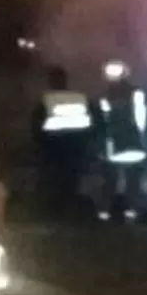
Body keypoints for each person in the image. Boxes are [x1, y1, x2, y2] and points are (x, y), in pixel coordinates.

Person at [31, 65, 93, 218]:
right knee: (70, 182)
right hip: (73, 149)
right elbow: (90, 123)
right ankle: (69, 211)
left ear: (51, 81)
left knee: (54, 181)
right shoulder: (78, 99)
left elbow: (36, 125)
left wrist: (40, 145)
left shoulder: (46, 101)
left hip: (53, 150)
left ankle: (54, 212)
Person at [95, 59, 147, 223]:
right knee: (132, 179)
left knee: (111, 179)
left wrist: (101, 145)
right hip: (133, 144)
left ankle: (105, 212)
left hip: (115, 145)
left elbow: (103, 123)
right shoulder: (137, 92)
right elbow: (142, 120)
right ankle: (130, 211)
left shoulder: (104, 96)